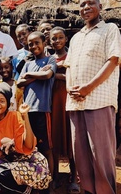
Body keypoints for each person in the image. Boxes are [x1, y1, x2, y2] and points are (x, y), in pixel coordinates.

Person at [64, 0, 121, 194]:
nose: (86, 7)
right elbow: (69, 65)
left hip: (98, 100)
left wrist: (88, 87)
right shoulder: (76, 38)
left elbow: (113, 60)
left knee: (101, 155)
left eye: (91, 3)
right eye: (82, 4)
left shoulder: (110, 29)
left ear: (100, 6)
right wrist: (69, 88)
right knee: (81, 156)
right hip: (75, 103)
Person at [17, 31, 57, 193]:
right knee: (29, 148)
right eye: (30, 44)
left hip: (42, 111)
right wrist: (33, 75)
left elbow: (48, 74)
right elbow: (20, 82)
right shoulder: (27, 63)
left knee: (46, 148)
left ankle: (50, 181)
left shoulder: (51, 60)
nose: (34, 46)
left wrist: (29, 75)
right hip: (27, 112)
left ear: (44, 42)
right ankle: (33, 180)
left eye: (36, 43)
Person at [49, 26, 80, 193]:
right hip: (53, 103)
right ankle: (55, 175)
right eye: (53, 38)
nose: (57, 41)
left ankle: (73, 178)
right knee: (54, 138)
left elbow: (75, 76)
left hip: (70, 101)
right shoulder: (48, 58)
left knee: (71, 139)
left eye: (60, 37)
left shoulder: (73, 56)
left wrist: (56, 75)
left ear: (66, 39)